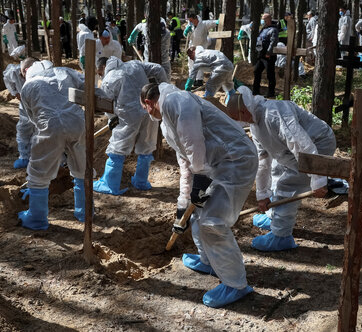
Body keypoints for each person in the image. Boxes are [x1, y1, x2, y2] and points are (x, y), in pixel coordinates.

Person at [140, 82, 258, 308]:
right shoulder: (166, 121)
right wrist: (183, 204)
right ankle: (209, 260)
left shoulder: (177, 101)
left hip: (236, 161)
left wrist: (201, 179)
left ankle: (235, 284)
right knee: (196, 214)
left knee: (212, 222)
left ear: (148, 103)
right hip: (215, 166)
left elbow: (193, 143)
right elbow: (185, 163)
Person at [225, 86, 336, 251]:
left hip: (317, 145)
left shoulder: (274, 112)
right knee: (276, 171)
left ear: (245, 110)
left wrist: (318, 179)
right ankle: (273, 216)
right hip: (288, 150)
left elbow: (300, 143)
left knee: (288, 184)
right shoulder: (255, 124)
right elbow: (263, 160)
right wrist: (262, 194)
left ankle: (281, 236)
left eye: (238, 117)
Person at [18, 64, 88, 230]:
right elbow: (89, 89)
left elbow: (31, 119)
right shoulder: (66, 72)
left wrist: (49, 143)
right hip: (77, 122)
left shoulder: (28, 86)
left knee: (39, 172)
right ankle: (85, 211)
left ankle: (37, 218)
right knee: (82, 167)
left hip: (49, 126)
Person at [93, 56, 168, 195]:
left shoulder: (109, 78)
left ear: (103, 67)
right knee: (146, 146)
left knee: (118, 147)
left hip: (128, 115)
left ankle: (110, 184)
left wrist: (112, 118)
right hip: (149, 109)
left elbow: (105, 102)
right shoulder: (135, 64)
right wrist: (162, 92)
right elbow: (158, 69)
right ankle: (141, 181)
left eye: (99, 72)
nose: (100, 75)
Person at [183, 13, 218, 87]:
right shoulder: (190, 26)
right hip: (192, 47)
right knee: (191, 64)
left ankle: (199, 80)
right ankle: (192, 79)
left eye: (192, 20)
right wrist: (185, 32)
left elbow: (212, 23)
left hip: (201, 47)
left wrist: (218, 21)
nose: (191, 22)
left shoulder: (204, 24)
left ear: (195, 18)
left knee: (200, 64)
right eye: (190, 21)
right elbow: (186, 36)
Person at [253, 13, 279, 98]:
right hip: (261, 55)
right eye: (262, 18)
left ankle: (271, 93)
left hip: (269, 56)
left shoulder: (273, 30)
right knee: (256, 71)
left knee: (270, 74)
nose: (262, 20)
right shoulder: (263, 29)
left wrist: (268, 53)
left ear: (268, 19)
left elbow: (273, 42)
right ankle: (255, 91)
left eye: (264, 19)